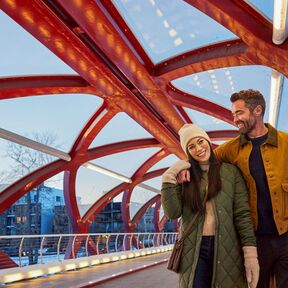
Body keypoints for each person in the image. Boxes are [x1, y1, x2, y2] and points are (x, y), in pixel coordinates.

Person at [177, 89, 288, 288]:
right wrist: (184, 168)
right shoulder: (230, 149)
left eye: (239, 113)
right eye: (233, 114)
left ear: (257, 110)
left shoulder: (286, 143)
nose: (235, 119)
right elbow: (203, 158)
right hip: (256, 239)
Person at [161, 123, 259, 288]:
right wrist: (169, 177)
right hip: (193, 249)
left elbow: (242, 215)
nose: (198, 148)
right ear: (187, 152)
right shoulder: (184, 176)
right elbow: (172, 212)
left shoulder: (231, 173)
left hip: (228, 247)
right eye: (191, 146)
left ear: (208, 140)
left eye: (200, 141)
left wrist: (250, 254)